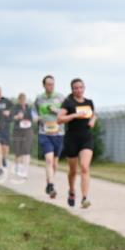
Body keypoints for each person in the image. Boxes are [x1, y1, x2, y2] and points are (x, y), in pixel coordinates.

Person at [57, 79, 96, 208]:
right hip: (71, 139)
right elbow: (59, 119)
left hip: (86, 137)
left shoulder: (89, 102)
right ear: (72, 89)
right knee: (73, 170)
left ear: (84, 88)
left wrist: (92, 121)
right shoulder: (68, 103)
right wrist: (73, 115)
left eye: (80, 87)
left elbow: (93, 114)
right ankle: (72, 191)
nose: (78, 90)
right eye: (75, 88)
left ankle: (84, 198)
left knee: (84, 167)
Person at [35, 75, 65, 198]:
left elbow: (65, 113)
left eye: (52, 84)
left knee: (55, 164)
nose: (51, 86)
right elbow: (34, 112)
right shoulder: (39, 98)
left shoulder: (60, 97)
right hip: (44, 133)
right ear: (43, 85)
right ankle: (51, 186)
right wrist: (36, 118)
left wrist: (56, 111)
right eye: (48, 84)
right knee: (49, 159)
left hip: (58, 133)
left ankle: (49, 184)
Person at [10, 92, 34, 177]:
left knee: (26, 149)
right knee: (18, 151)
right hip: (17, 130)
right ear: (19, 100)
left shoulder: (29, 108)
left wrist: (35, 118)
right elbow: (11, 117)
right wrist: (16, 117)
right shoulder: (15, 108)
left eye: (24, 100)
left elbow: (33, 118)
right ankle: (18, 167)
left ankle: (25, 171)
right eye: (21, 100)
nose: (23, 101)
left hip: (28, 130)